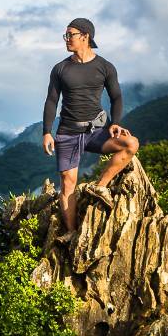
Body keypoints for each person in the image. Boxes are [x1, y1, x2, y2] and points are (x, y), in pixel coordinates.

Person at [41, 17, 139, 239]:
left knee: (130, 144)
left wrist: (115, 123)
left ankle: (100, 186)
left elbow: (116, 97)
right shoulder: (60, 68)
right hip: (67, 131)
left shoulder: (105, 67)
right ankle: (71, 232)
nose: (66, 39)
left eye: (70, 35)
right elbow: (51, 101)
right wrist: (47, 131)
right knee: (68, 184)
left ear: (85, 37)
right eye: (65, 35)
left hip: (96, 131)